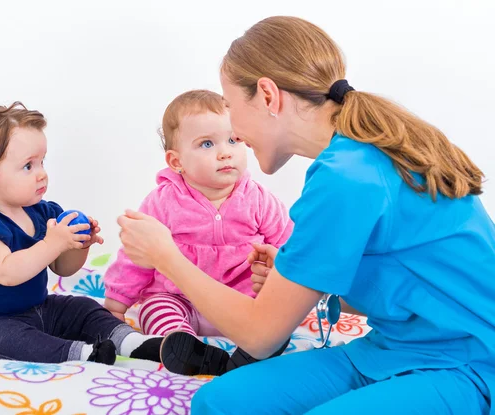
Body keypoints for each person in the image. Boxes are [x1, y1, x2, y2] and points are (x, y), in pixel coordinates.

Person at [116, 16, 495, 414]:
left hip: (468, 362)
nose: (235, 131)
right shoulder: (349, 160)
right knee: (218, 402)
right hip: (394, 348)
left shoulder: (349, 175)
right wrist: (295, 280)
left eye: (230, 106)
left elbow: (260, 336)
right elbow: (409, 286)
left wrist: (166, 257)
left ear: (267, 96)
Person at [0, 102, 161, 365]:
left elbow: (62, 268)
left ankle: (133, 342)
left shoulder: (43, 213)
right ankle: (82, 353)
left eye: (42, 162)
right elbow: (8, 273)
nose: (42, 174)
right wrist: (52, 243)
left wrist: (77, 245)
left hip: (36, 309)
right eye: (28, 166)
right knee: (18, 340)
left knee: (82, 308)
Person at [104, 89, 293, 375]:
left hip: (240, 302)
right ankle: (188, 349)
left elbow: (290, 244)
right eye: (207, 144)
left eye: (233, 139)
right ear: (176, 161)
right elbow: (136, 256)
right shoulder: (163, 201)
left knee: (275, 315)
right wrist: (116, 306)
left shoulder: (258, 199)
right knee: (154, 308)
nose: (225, 151)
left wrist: (278, 279)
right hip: (181, 299)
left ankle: (255, 349)